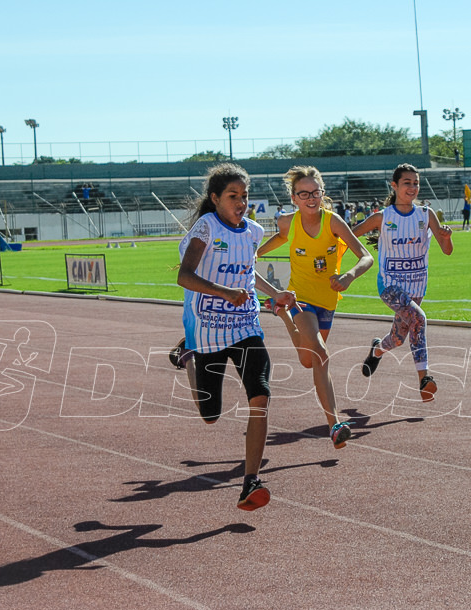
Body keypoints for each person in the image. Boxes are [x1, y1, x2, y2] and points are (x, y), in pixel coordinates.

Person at [173, 164, 297, 510]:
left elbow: (248, 271)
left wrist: (275, 295)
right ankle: (188, 357)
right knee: (210, 414)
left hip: (245, 326)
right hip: (208, 328)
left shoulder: (254, 232)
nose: (241, 202)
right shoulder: (206, 228)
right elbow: (185, 276)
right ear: (215, 199)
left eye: (244, 196)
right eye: (233, 196)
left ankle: (250, 481)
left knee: (261, 394)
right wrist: (225, 292)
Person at [257, 166, 374, 448]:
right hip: (301, 299)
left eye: (315, 192)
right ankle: (334, 425)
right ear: (294, 197)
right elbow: (262, 248)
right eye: (303, 193)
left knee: (308, 360)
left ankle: (282, 316)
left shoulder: (333, 222)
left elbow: (366, 256)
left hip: (328, 303)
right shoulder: (288, 223)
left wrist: (349, 275)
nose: (311, 198)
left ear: (322, 193)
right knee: (321, 353)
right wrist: (250, 254)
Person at [353, 164, 454, 402]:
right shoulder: (382, 217)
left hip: (417, 286)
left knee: (398, 338)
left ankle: (377, 349)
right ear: (395, 185)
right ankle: (424, 380)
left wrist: (447, 238)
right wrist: (358, 259)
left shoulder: (426, 214)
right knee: (419, 319)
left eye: (416, 183)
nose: (412, 187)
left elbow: (447, 250)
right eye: (407, 182)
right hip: (390, 285)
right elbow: (347, 234)